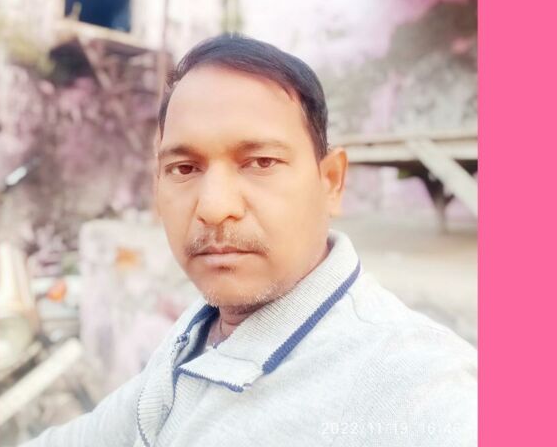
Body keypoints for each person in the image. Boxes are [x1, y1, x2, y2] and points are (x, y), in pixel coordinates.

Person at [24, 34, 476, 446]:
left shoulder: (417, 387)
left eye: (260, 162)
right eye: (184, 168)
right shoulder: (197, 334)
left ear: (331, 183)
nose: (214, 207)